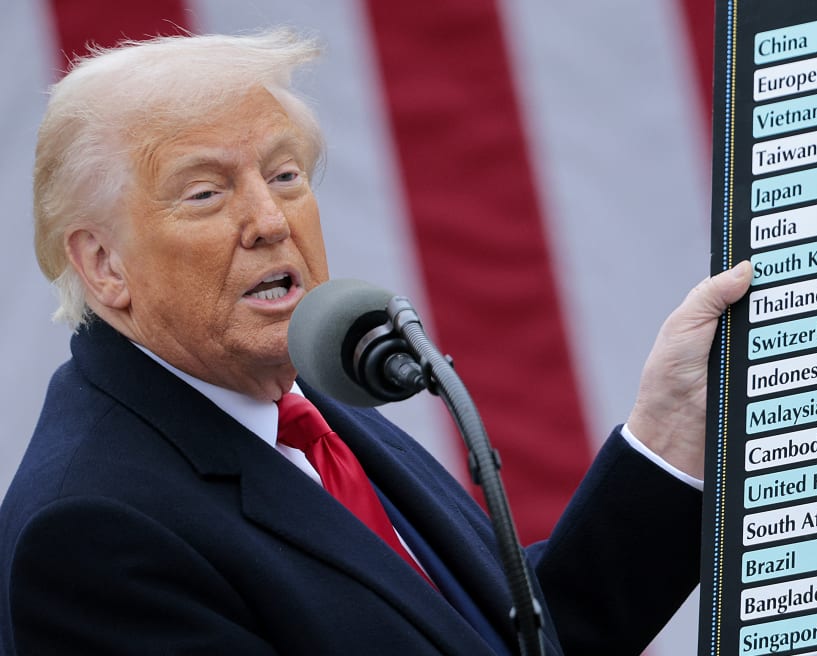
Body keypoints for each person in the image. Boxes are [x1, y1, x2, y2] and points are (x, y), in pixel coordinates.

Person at [0, 30, 752, 655]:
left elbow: (510, 636)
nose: (269, 219)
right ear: (103, 265)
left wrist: (669, 435)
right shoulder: (89, 536)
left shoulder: (309, 402)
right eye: (206, 192)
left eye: (285, 174)